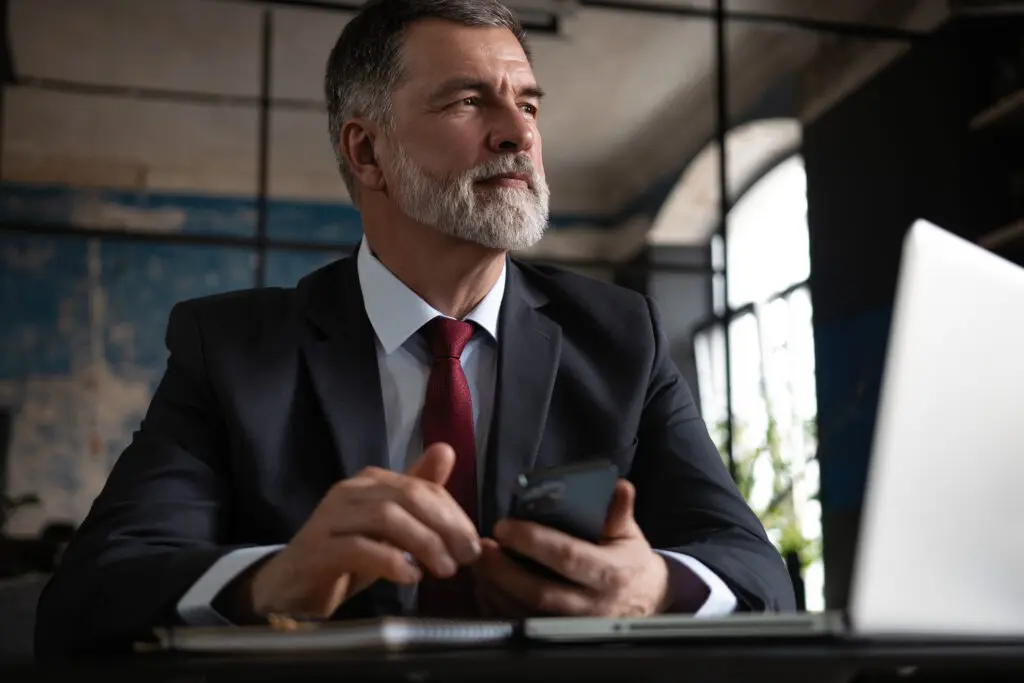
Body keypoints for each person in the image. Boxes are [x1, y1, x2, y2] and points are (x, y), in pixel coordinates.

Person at [34, 0, 794, 657]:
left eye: (528, 105)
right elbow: (87, 595)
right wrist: (274, 580)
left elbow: (758, 573)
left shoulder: (623, 337)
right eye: (468, 101)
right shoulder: (230, 349)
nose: (517, 134)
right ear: (367, 152)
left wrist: (653, 586)